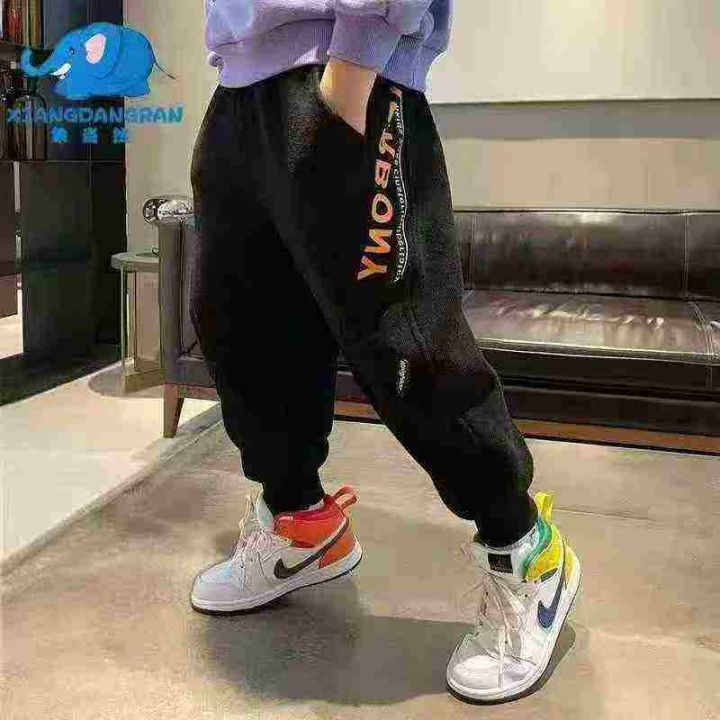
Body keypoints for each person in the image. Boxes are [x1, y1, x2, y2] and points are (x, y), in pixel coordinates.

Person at [189, 0, 581, 702]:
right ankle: (299, 523)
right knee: (243, 329)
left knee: (406, 346)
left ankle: (525, 548)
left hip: (342, 69)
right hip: (239, 90)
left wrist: (356, 61)